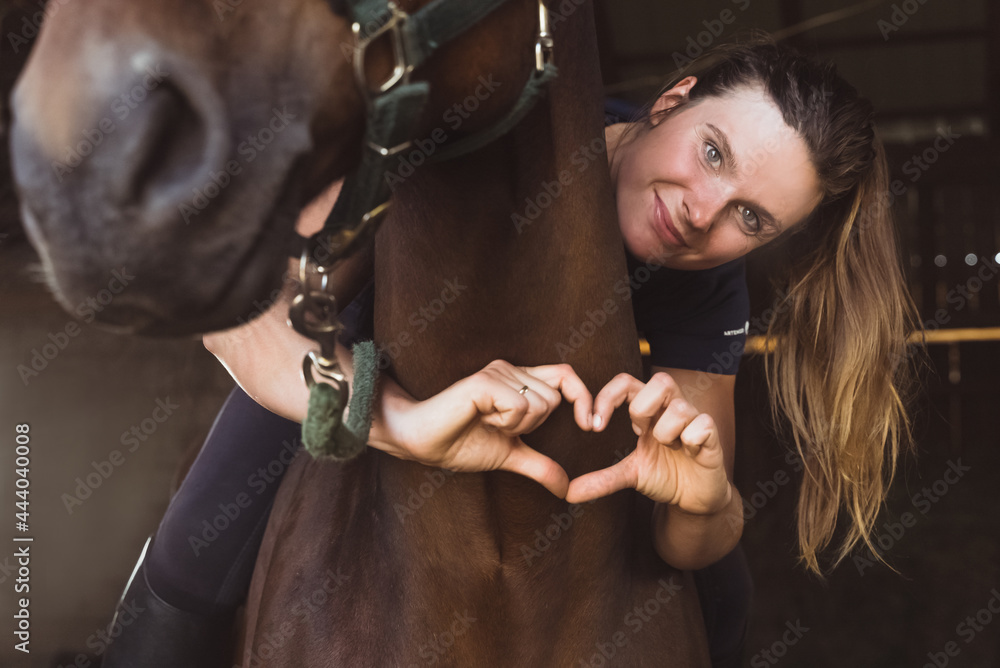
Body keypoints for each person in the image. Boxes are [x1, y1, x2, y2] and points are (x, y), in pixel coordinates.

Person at [102, 39, 918, 668]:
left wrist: (709, 504)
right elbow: (238, 310)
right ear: (672, 103)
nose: (704, 214)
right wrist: (392, 418)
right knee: (188, 561)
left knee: (725, 594)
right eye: (712, 153)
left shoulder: (706, 281)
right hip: (347, 360)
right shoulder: (472, 138)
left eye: (751, 219)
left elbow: (686, 530)